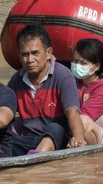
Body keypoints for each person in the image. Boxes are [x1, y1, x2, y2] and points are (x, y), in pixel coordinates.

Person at [7, 24, 86, 155]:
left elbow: (72, 112)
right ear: (19, 56)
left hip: (59, 139)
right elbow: (5, 113)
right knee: (4, 142)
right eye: (25, 54)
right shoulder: (16, 80)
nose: (30, 59)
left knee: (54, 128)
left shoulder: (63, 75)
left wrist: (78, 138)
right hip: (29, 140)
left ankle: (35, 160)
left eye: (35, 53)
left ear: (48, 53)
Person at [70, 38, 103, 145]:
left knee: (82, 120)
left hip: (102, 136)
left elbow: (85, 115)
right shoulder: (74, 81)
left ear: (96, 66)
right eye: (75, 61)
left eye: (83, 63)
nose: (77, 65)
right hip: (73, 129)